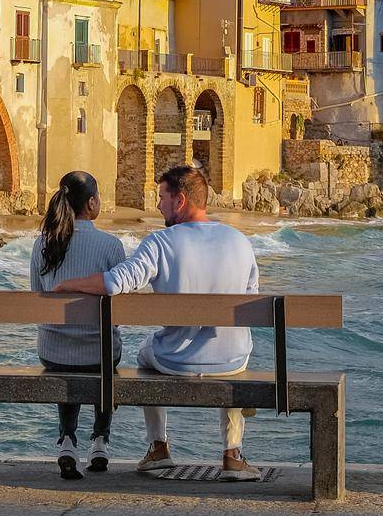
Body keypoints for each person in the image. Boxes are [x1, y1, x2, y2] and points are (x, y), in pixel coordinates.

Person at [58, 162, 261, 482]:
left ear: (180, 201)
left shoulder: (160, 243)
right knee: (237, 350)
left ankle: (158, 447)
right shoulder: (240, 242)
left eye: (162, 197)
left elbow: (115, 283)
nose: (157, 204)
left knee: (144, 352)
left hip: (175, 361)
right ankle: (232, 454)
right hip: (232, 359)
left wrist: (69, 285)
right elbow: (251, 300)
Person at [30, 170, 126, 480]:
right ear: (92, 203)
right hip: (100, 353)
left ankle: (67, 439)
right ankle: (99, 440)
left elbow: (36, 297)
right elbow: (119, 309)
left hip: (53, 351)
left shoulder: (42, 244)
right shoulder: (111, 246)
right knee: (104, 355)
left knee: (66, 358)